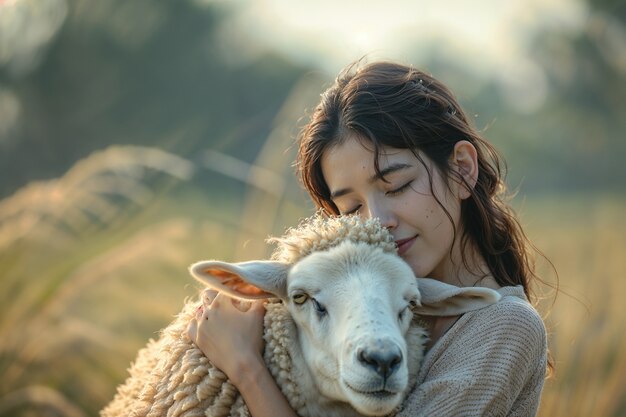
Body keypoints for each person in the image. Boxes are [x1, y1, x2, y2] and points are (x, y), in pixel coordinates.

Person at [187, 60, 550, 416]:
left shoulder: (504, 326)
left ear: (462, 169)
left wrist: (246, 367)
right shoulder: (355, 311)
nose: (377, 223)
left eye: (397, 186)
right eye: (351, 207)